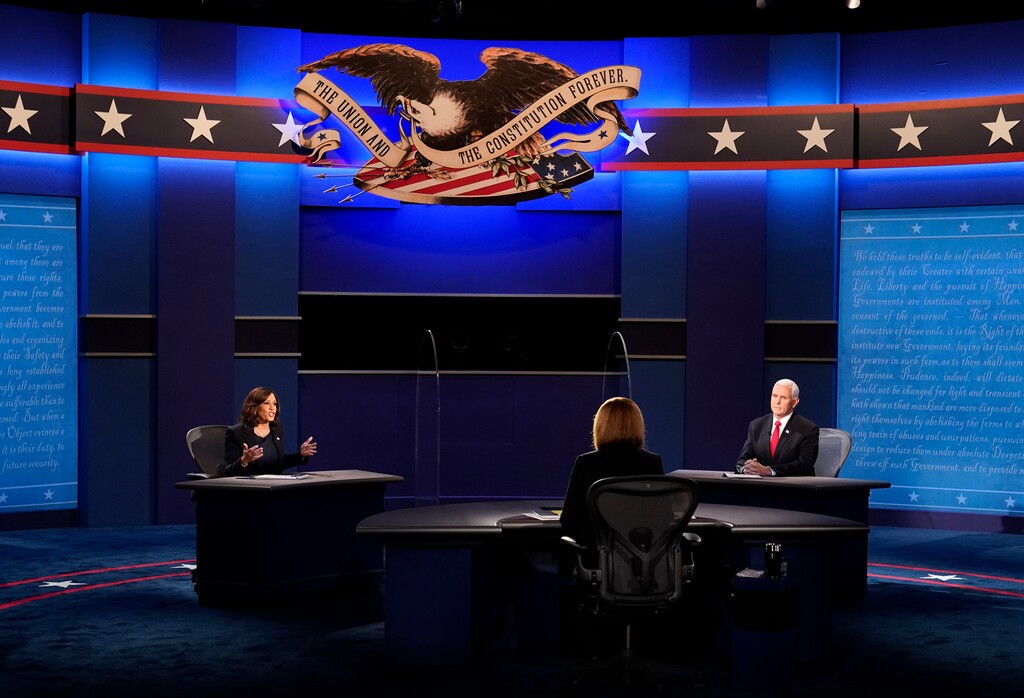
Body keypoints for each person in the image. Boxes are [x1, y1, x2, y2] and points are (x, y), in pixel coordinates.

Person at [559, 396, 664, 553]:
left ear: (600, 426)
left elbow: (569, 520)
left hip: (596, 555)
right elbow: (664, 517)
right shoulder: (652, 462)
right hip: (642, 555)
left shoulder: (587, 463)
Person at [223, 386, 317, 476]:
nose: (272, 408)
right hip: (251, 485)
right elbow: (228, 471)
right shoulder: (237, 432)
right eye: (267, 403)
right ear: (255, 407)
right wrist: (244, 461)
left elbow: (279, 462)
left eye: (274, 403)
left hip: (274, 484)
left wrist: (300, 455)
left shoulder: (276, 428)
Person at [735, 378, 819, 477]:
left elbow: (804, 465)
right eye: (775, 396)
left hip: (793, 484)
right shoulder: (757, 425)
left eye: (783, 398)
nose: (777, 402)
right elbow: (741, 461)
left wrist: (769, 471)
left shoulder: (807, 429)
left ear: (795, 402)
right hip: (760, 484)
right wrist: (747, 468)